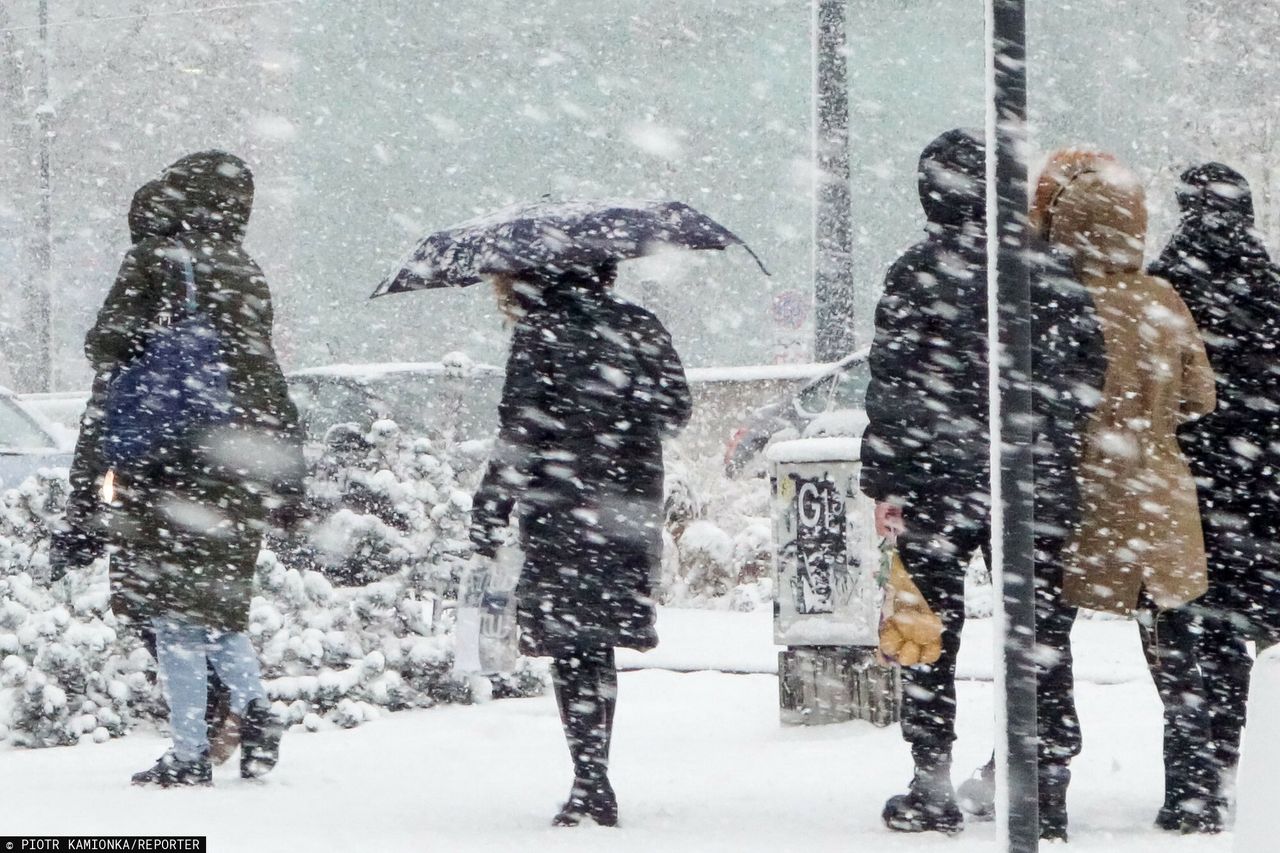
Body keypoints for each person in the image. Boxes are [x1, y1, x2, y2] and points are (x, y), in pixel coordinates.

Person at [860, 129, 1106, 838]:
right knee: (1038, 638)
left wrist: (889, 481)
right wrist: (1048, 443)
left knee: (927, 633)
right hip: (1033, 483)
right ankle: (1042, 784)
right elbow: (1086, 374)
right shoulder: (1048, 266)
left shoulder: (917, 272)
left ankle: (931, 779)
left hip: (937, 484)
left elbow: (894, 388)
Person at [77, 150, 306, 787]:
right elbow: (263, 372)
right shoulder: (246, 269)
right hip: (238, 463)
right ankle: (257, 715)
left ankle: (187, 753)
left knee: (173, 615)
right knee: (217, 609)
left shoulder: (154, 259)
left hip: (168, 459)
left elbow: (106, 342)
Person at [470, 261, 691, 827]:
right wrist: (622, 402)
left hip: (561, 509)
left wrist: (492, 506)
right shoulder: (640, 325)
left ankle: (590, 778)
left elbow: (519, 431)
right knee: (598, 643)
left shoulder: (539, 332)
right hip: (625, 507)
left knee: (574, 644)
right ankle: (594, 776)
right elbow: (676, 410)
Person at [1049, 153, 1220, 832]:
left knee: (1049, 637)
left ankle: (1047, 789)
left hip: (1083, 488)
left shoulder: (1058, 300)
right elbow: (1201, 395)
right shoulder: (1162, 299)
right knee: (1175, 642)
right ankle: (1193, 784)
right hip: (1159, 490)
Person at [1148, 162, 1280, 819]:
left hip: (1177, 486)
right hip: (1257, 490)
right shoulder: (1271, 288)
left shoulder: (1160, 289)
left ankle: (1188, 769)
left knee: (1176, 625)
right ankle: (1225, 754)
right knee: (1232, 632)